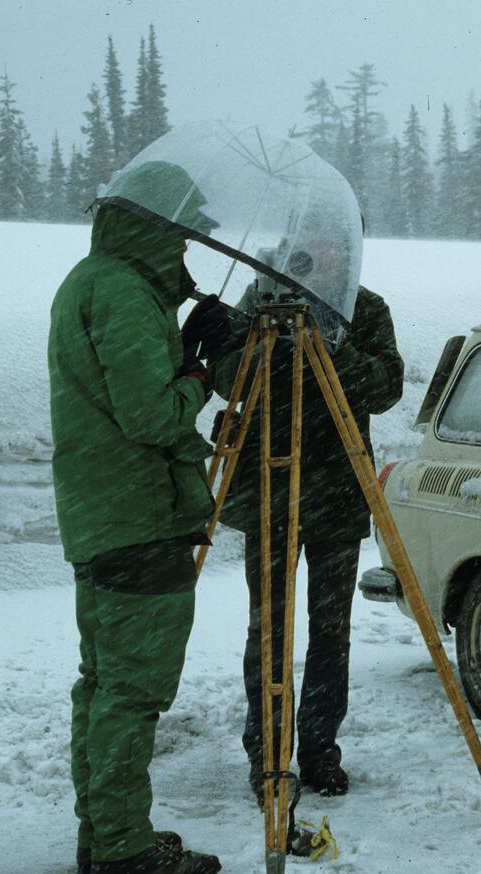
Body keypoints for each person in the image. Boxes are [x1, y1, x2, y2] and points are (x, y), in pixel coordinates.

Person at [47, 160, 222, 874]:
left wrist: (180, 344)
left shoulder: (94, 281)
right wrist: (204, 375)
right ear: (155, 227)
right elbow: (150, 413)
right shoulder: (120, 290)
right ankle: (122, 849)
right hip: (138, 513)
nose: (187, 253)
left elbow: (127, 388)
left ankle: (103, 832)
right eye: (182, 239)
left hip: (103, 514)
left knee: (104, 682)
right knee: (133, 690)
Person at [201, 262, 403, 802]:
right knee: (267, 627)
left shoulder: (366, 307)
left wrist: (332, 344)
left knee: (330, 628)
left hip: (338, 487)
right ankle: (266, 754)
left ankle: (318, 749)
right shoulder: (259, 299)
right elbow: (226, 379)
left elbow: (386, 388)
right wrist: (268, 346)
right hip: (271, 483)